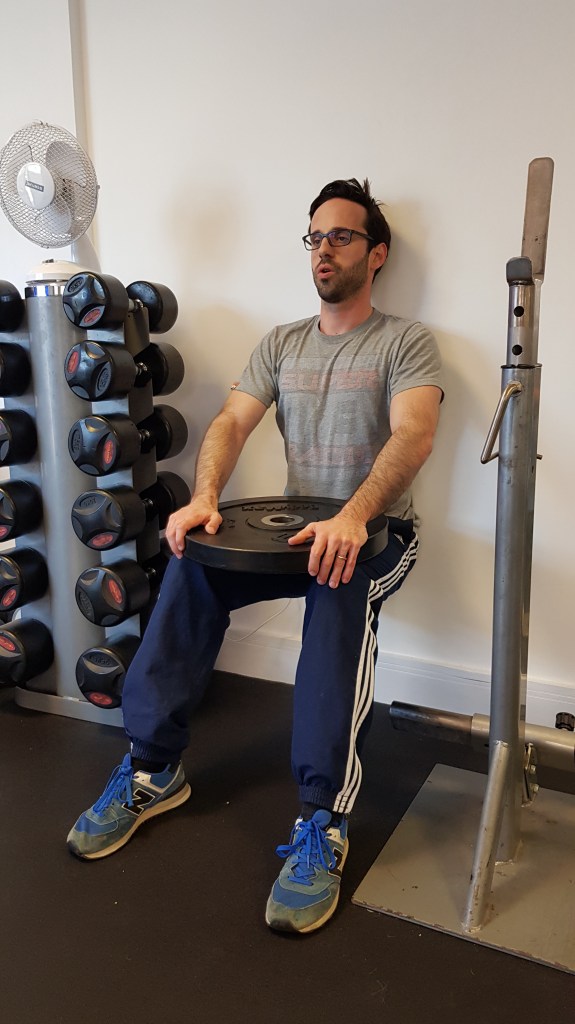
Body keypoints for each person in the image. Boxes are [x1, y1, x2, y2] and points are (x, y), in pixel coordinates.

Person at [67, 177, 443, 934]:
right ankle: (152, 768)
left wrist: (354, 517)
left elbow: (414, 434)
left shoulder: (405, 341)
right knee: (191, 562)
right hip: (292, 530)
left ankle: (322, 820)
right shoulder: (281, 341)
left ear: (376, 254)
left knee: (339, 585)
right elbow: (231, 425)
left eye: (341, 236)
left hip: (377, 534)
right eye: (315, 237)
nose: (324, 250)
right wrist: (204, 499)